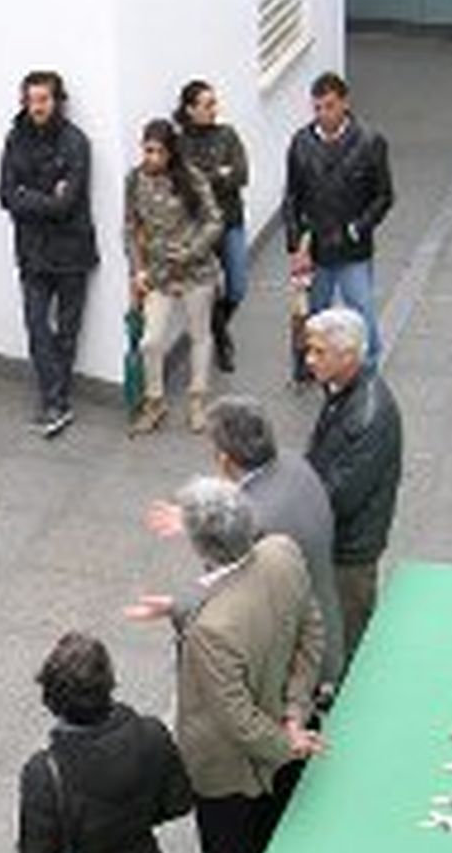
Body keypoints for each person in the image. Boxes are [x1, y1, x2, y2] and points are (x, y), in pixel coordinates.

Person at [125, 477, 324, 853]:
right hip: (284, 734)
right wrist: (295, 715)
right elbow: (310, 631)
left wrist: (284, 743)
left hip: (231, 771)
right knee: (277, 836)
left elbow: (235, 720)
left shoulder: (210, 633)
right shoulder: (283, 551)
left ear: (200, 547)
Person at [3, 633, 192, 853]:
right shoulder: (152, 734)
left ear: (52, 699)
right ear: (108, 683)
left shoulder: (45, 773)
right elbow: (179, 802)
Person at [147, 396, 345, 691]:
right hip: (327, 623)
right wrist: (194, 518)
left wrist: (176, 606)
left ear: (224, 458)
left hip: (294, 663)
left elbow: (226, 594)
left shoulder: (253, 523)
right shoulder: (294, 464)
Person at [0, 70, 99, 438]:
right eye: (30, 99)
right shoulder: (14, 138)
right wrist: (44, 196)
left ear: (57, 101)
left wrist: (28, 196)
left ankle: (56, 402)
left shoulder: (76, 142)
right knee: (37, 326)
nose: (36, 106)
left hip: (72, 250)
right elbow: (5, 193)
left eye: (43, 99)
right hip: (32, 252)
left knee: (67, 331)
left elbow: (67, 204)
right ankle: (54, 400)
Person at [303, 308, 402, 658]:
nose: (309, 360)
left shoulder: (368, 415)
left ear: (348, 355)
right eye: (308, 350)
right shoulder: (343, 390)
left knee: (347, 631)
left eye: (319, 352)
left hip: (350, 548)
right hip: (341, 540)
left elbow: (341, 496)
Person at [285, 71, 394, 371]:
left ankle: (369, 367)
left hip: (351, 248)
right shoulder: (301, 143)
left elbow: (384, 196)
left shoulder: (371, 142)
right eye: (317, 107)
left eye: (329, 106)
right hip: (315, 248)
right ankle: (309, 364)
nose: (322, 114)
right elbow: (292, 197)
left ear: (345, 103)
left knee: (362, 311)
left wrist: (357, 229)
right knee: (314, 313)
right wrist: (296, 244)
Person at [125, 118, 223, 436]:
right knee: (151, 342)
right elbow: (130, 228)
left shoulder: (191, 178)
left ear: (170, 153)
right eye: (147, 150)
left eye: (157, 152)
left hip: (196, 272)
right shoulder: (134, 179)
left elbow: (214, 220)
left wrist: (192, 250)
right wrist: (137, 270)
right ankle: (155, 402)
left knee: (199, 335)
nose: (150, 157)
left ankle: (197, 402)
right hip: (159, 274)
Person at [175, 80, 249, 373]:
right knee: (210, 289)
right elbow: (186, 185)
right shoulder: (180, 143)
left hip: (230, 219)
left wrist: (210, 177)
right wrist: (219, 173)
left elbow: (241, 174)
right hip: (200, 226)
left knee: (237, 286)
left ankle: (218, 329)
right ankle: (222, 340)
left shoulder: (227, 135)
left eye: (213, 103)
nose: (213, 109)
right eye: (206, 104)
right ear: (190, 109)